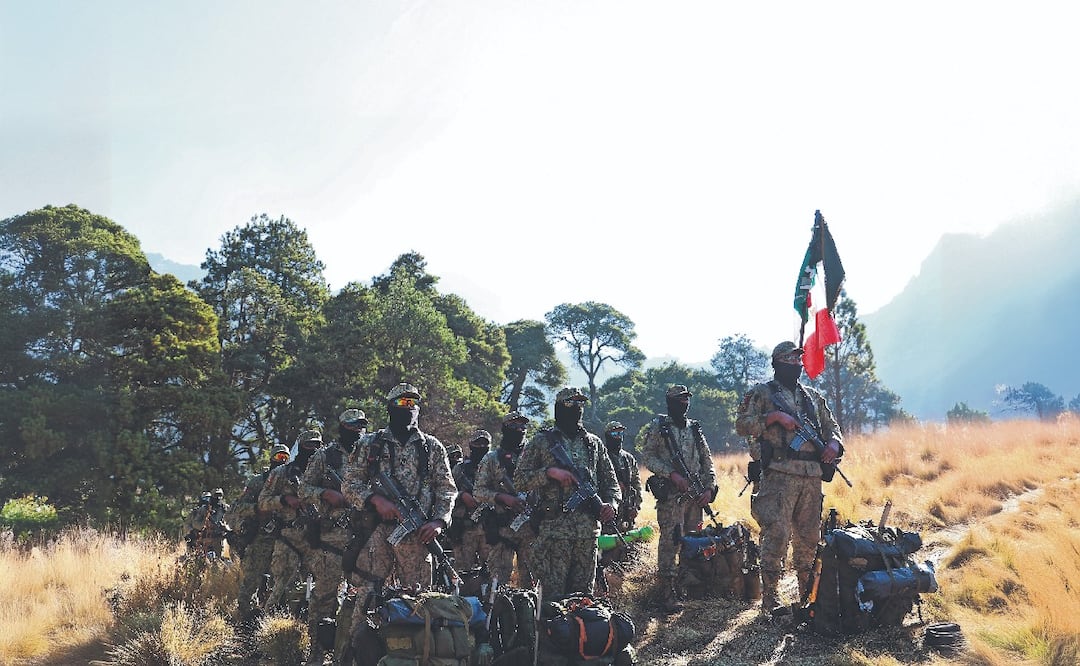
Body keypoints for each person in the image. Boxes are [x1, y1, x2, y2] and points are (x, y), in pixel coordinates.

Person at [340, 383, 457, 648]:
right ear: (391, 408)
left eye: (413, 404)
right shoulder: (370, 444)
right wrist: (374, 499)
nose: (409, 409)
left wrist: (439, 521)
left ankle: (416, 654)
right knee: (369, 596)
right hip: (378, 533)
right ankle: (356, 653)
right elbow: (349, 484)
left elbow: (447, 489)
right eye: (402, 404)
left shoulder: (431, 447)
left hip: (417, 537)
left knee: (419, 602)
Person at [735, 341, 844, 615]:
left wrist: (834, 445)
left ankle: (807, 596)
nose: (795, 365)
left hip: (811, 478)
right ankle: (771, 601)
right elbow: (741, 425)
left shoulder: (813, 398)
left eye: (798, 361)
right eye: (789, 360)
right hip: (779, 477)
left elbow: (833, 428)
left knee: (808, 539)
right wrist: (773, 417)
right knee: (776, 535)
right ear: (777, 363)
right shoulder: (761, 393)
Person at [514, 387, 620, 598]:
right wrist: (549, 473)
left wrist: (612, 505)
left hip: (587, 535)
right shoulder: (542, 442)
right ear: (560, 407)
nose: (578, 408)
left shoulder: (593, 444)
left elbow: (611, 483)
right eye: (572, 403)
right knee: (552, 601)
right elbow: (519, 480)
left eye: (581, 404)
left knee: (583, 600)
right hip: (554, 534)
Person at [296, 409, 367, 666]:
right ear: (342, 426)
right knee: (324, 599)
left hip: (364, 538)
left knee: (362, 599)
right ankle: (316, 655)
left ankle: (351, 655)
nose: (358, 430)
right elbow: (303, 489)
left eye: (362, 425)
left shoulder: (371, 454)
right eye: (353, 425)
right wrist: (326, 493)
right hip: (331, 540)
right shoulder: (325, 456)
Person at [638, 385, 718, 613]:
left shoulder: (694, 428)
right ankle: (666, 593)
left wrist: (709, 488)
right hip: (672, 497)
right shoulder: (659, 427)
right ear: (670, 401)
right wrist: (670, 473)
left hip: (695, 497)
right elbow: (648, 457)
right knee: (670, 542)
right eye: (679, 399)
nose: (684, 403)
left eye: (686, 399)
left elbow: (707, 461)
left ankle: (690, 587)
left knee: (694, 541)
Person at [259, 428, 324, 614]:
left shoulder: (325, 474)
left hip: (318, 537)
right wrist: (284, 501)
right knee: (282, 585)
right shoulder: (282, 473)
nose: (313, 449)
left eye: (317, 445)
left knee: (318, 587)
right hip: (289, 537)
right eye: (309, 445)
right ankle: (267, 625)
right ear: (300, 447)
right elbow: (263, 502)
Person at [227, 443, 291, 624]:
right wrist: (258, 509)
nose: (282, 461)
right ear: (271, 459)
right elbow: (239, 507)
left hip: (286, 538)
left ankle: (278, 619)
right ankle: (243, 619)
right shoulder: (258, 482)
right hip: (261, 538)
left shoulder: (292, 482)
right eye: (279, 457)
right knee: (252, 579)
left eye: (285, 458)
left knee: (285, 579)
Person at [473, 411, 535, 588]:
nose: (519, 430)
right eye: (514, 426)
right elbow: (478, 491)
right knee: (497, 583)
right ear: (505, 428)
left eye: (523, 426)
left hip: (532, 529)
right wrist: (502, 497)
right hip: (502, 530)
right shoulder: (492, 458)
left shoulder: (535, 456)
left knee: (532, 584)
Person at [450, 429, 493, 571]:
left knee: (493, 572)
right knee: (463, 571)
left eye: (484, 444)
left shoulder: (496, 468)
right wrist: (462, 495)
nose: (481, 447)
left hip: (490, 528)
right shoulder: (460, 469)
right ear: (470, 445)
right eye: (477, 443)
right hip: (465, 529)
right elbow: (447, 492)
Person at [603, 421, 642, 533]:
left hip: (627, 511)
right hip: (609, 509)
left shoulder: (628, 458)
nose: (619, 437)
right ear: (608, 436)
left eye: (621, 434)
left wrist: (636, 506)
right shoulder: (602, 456)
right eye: (615, 434)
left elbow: (636, 483)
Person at [187, 487, 231, 559]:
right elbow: (195, 523)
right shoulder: (204, 509)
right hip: (205, 539)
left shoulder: (225, 508)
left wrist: (225, 527)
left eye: (220, 495)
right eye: (216, 495)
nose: (218, 498)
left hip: (218, 539)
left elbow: (232, 521)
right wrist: (205, 524)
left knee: (218, 560)